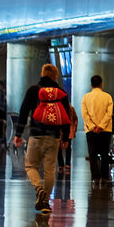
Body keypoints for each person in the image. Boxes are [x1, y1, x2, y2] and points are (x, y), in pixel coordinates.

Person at [16, 63, 76, 214]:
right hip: (53, 137)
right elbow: (66, 116)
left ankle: (39, 189)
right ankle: (45, 201)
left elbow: (24, 111)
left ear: (42, 74)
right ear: (55, 76)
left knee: (30, 166)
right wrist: (66, 137)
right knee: (50, 170)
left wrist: (18, 133)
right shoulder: (61, 92)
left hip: (35, 135)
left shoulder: (34, 90)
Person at [81, 73, 114, 183]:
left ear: (91, 85)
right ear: (101, 84)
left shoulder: (86, 97)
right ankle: (104, 176)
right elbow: (109, 114)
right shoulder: (108, 96)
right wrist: (101, 126)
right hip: (105, 130)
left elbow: (85, 114)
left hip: (90, 131)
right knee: (105, 154)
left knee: (92, 154)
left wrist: (92, 126)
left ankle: (95, 177)